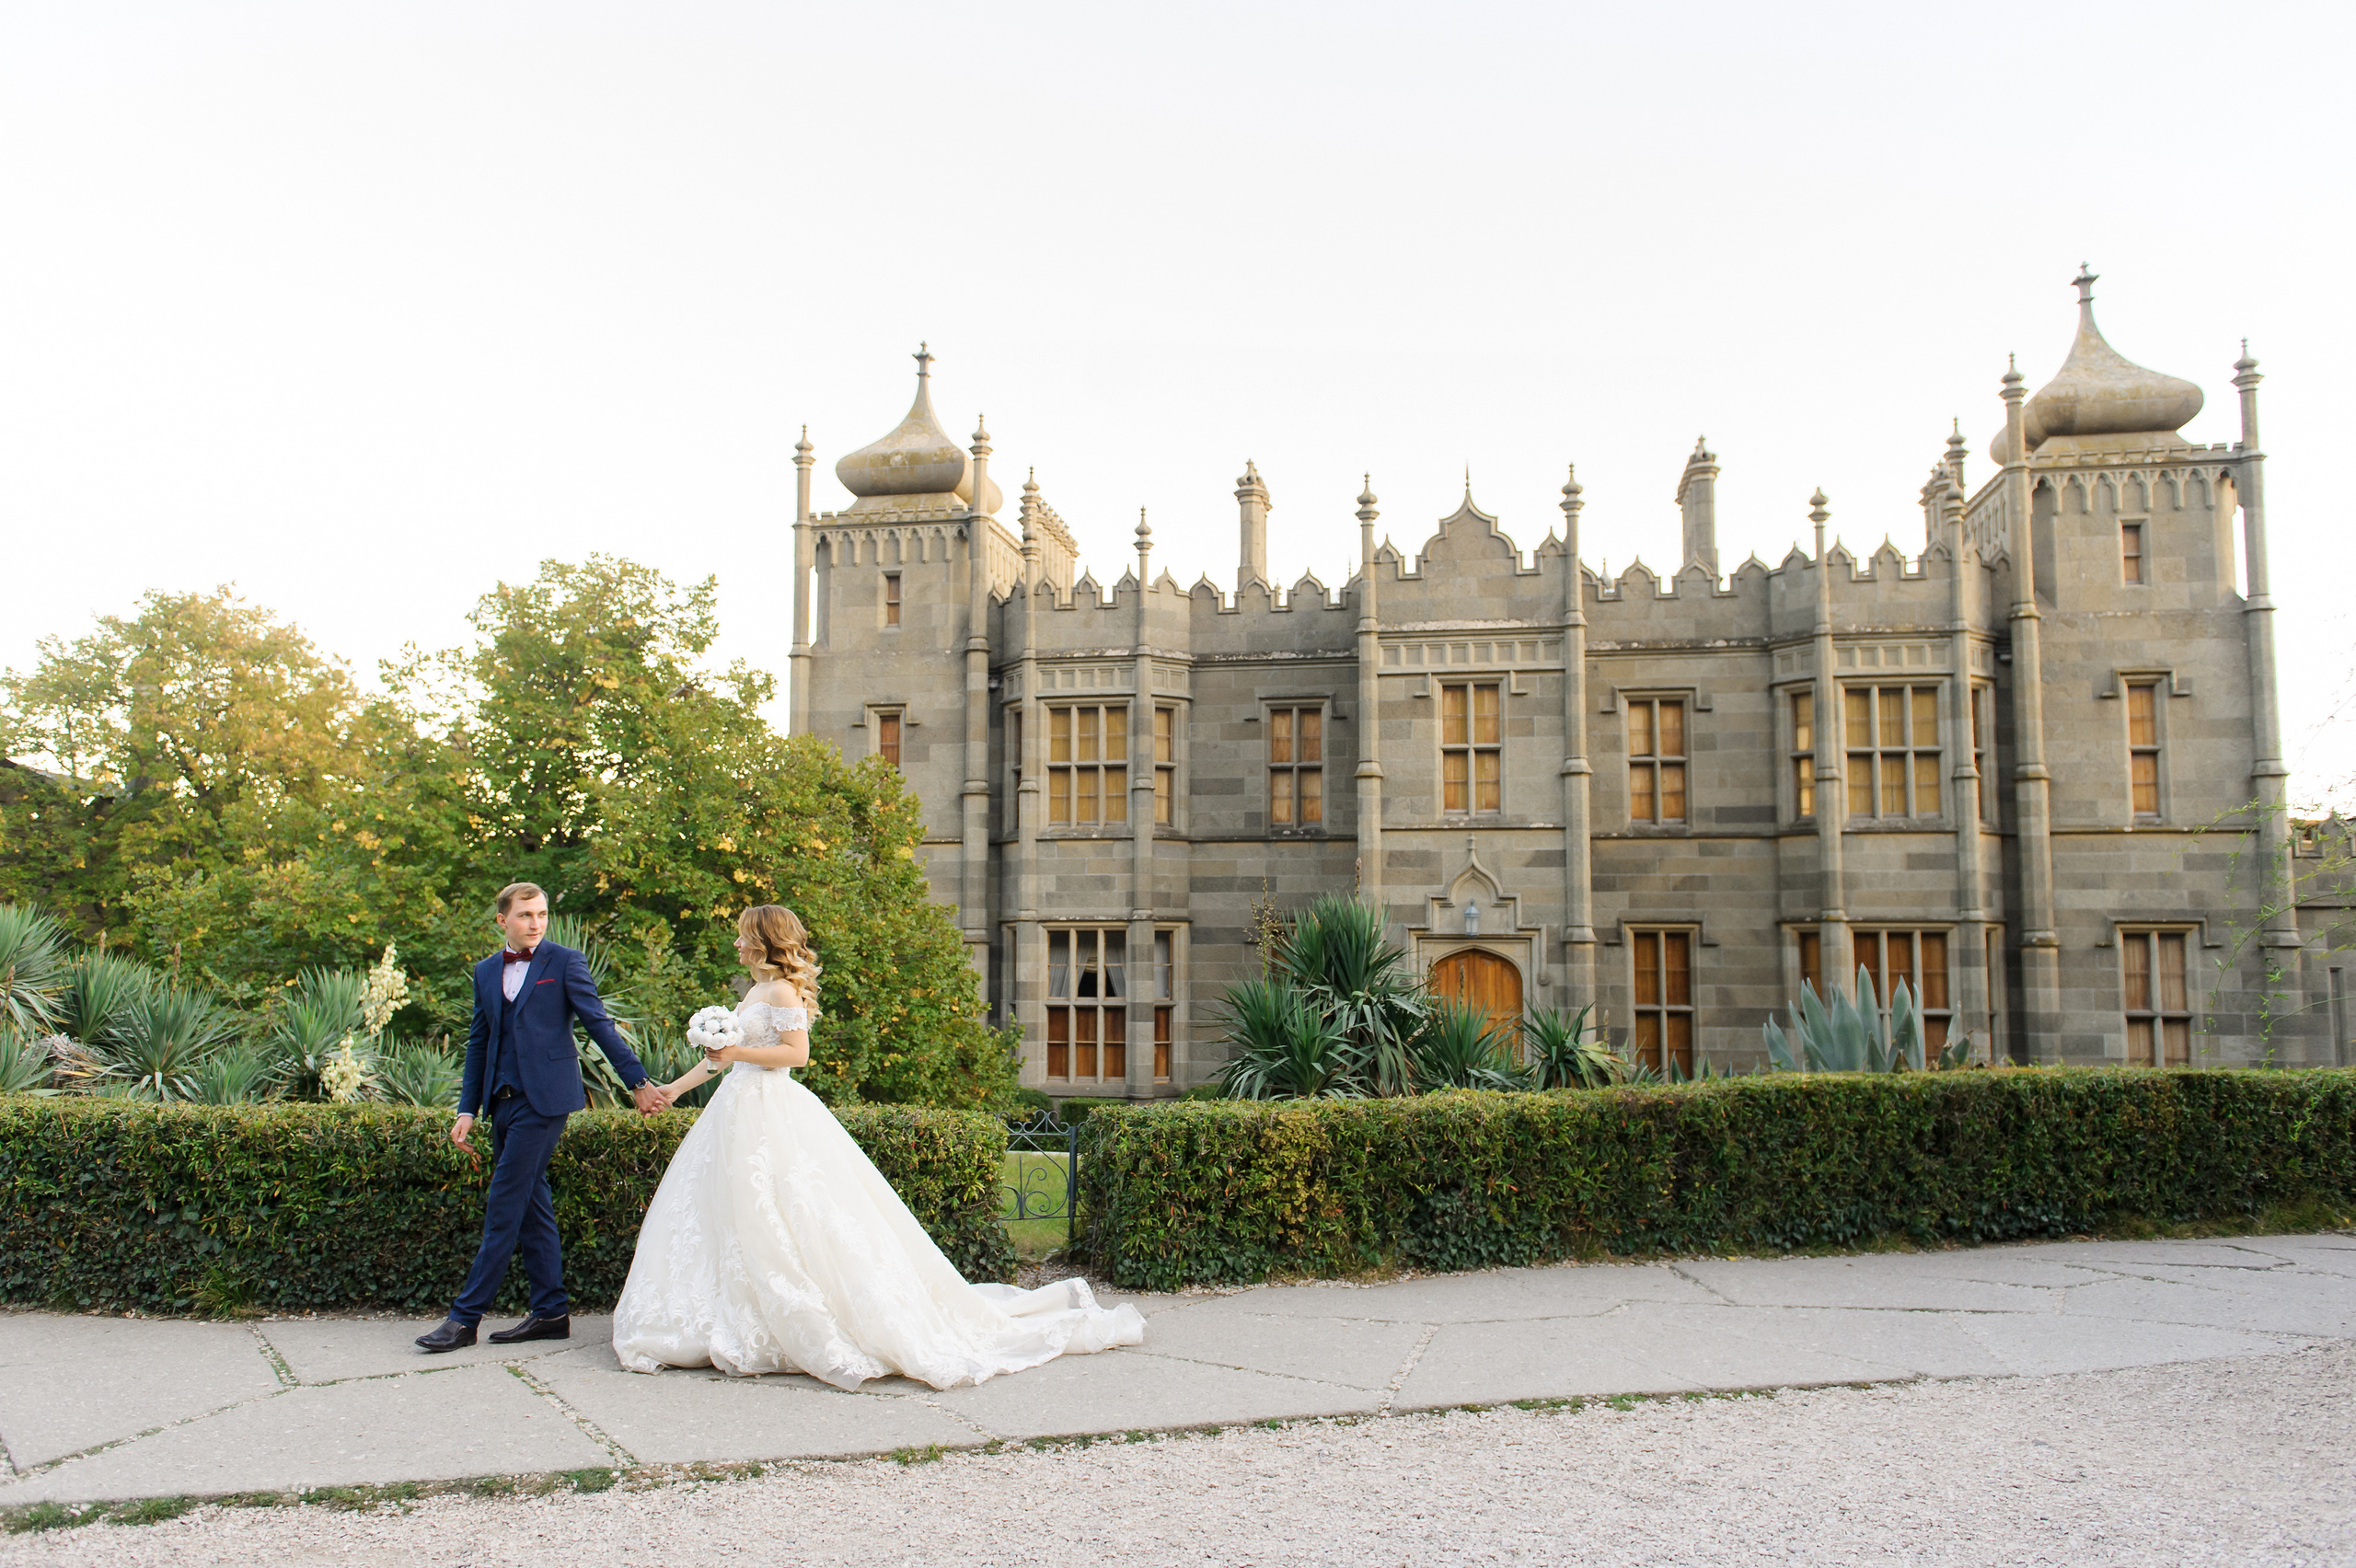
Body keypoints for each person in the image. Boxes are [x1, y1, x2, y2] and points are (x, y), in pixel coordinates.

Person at [611, 905, 1143, 1389]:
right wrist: (672, 1092)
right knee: (730, 1216)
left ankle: (800, 1320)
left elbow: (797, 1056)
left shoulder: (782, 993)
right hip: (733, 1110)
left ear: (765, 941)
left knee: (782, 1213)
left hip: (771, 1111)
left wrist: (736, 1048)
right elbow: (720, 1061)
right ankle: (732, 1313)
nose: (736, 945)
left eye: (743, 937)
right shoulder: (750, 993)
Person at [414, 882, 664, 1353]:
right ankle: (550, 1312)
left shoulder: (564, 962)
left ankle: (464, 1319)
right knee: (532, 1205)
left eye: (542, 914)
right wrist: (467, 1109)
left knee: (504, 1203)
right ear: (502, 920)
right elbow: (480, 1043)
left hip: (545, 1101)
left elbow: (598, 1023)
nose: (536, 923)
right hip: (501, 1101)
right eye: (526, 915)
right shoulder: (486, 971)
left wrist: (637, 1082)